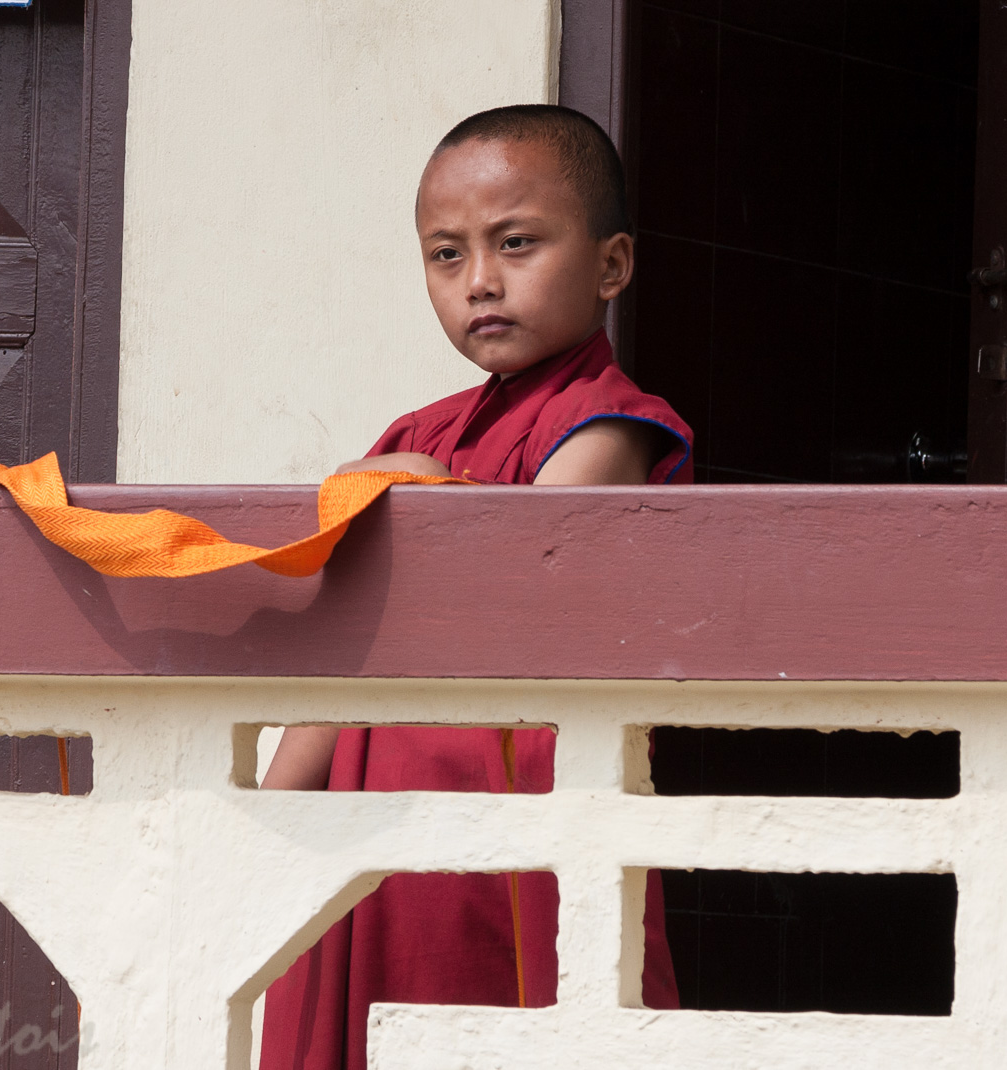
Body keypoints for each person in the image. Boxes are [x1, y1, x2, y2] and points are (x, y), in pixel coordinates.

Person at [258, 104, 691, 1070]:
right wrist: (265, 815)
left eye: (516, 243)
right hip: (367, 816)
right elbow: (346, 640)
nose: (479, 282)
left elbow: (521, 572)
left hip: (511, 818)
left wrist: (420, 497)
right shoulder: (417, 434)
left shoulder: (611, 424)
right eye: (445, 256)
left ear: (611, 265)